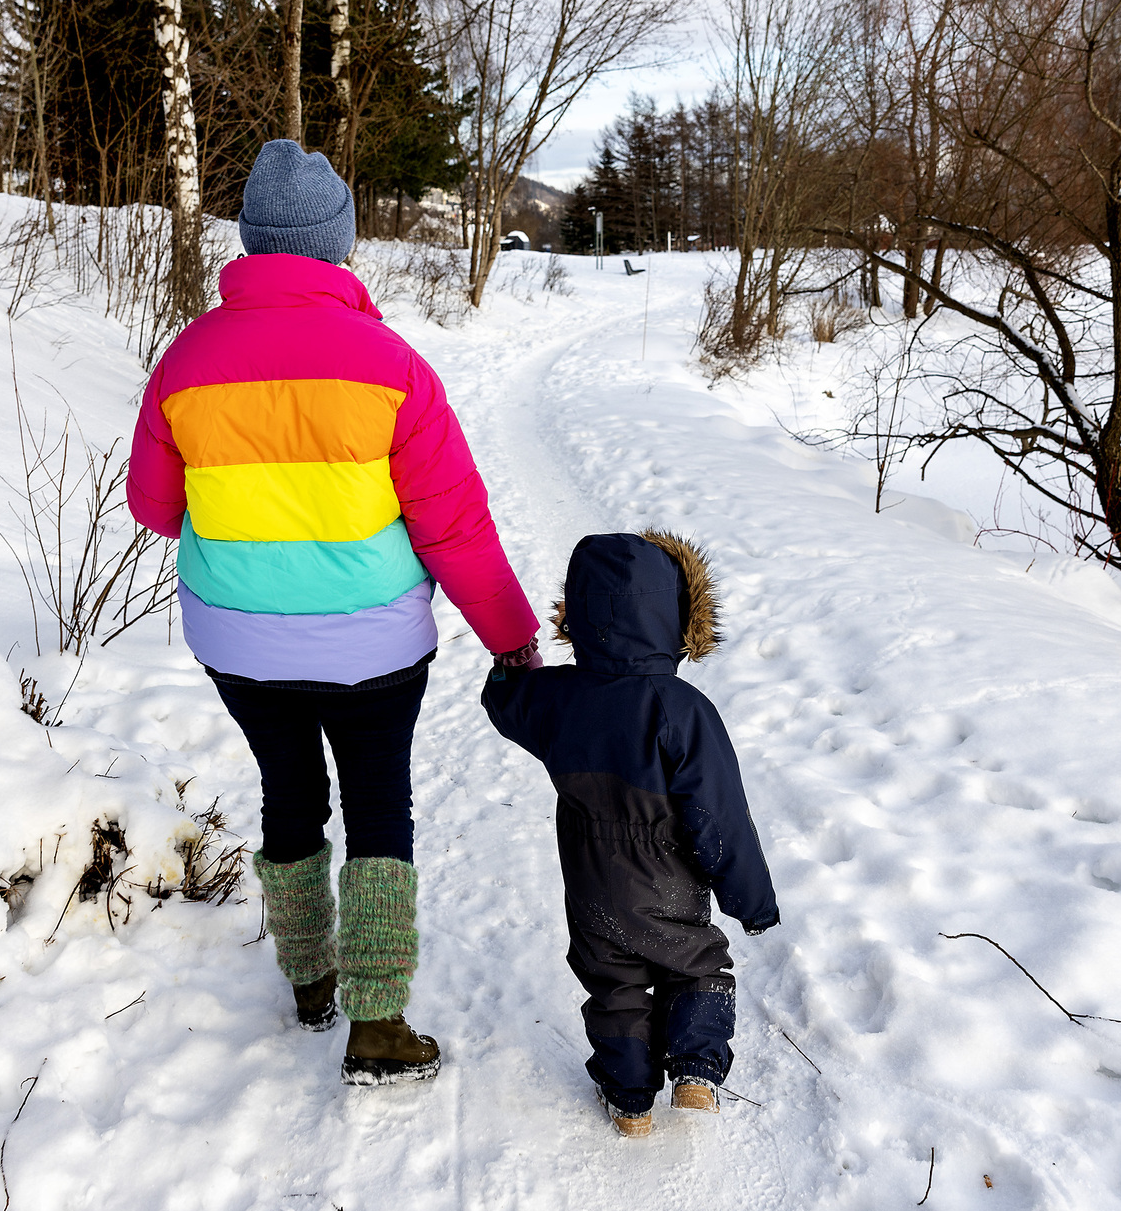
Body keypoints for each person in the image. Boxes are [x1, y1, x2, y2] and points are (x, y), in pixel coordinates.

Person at [127, 140, 540, 1086]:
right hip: (375, 648)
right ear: (338, 248)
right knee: (378, 804)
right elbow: (456, 527)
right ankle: (379, 1021)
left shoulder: (187, 360)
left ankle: (309, 980)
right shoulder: (391, 367)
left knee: (288, 791)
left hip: (239, 641)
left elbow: (153, 508)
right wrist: (511, 635)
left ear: (256, 244)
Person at [481, 530, 779, 1137]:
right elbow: (719, 815)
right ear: (674, 617)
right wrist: (751, 900)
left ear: (579, 614)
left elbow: (507, 702)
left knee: (614, 981)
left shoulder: (559, 698)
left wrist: (518, 668)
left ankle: (630, 1102)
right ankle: (695, 1069)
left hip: (591, 877)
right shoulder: (680, 707)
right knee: (696, 966)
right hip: (667, 871)